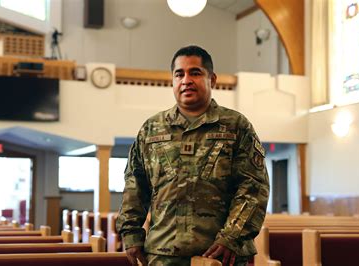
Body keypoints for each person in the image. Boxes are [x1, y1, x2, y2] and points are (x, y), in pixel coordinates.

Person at [116, 45, 270, 266]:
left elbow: (253, 187)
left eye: (195, 73)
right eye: (179, 74)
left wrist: (231, 237)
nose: (186, 80)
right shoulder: (151, 129)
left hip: (222, 255)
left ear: (212, 79)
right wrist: (131, 234)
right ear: (173, 81)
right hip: (163, 253)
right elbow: (134, 186)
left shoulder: (236, 126)